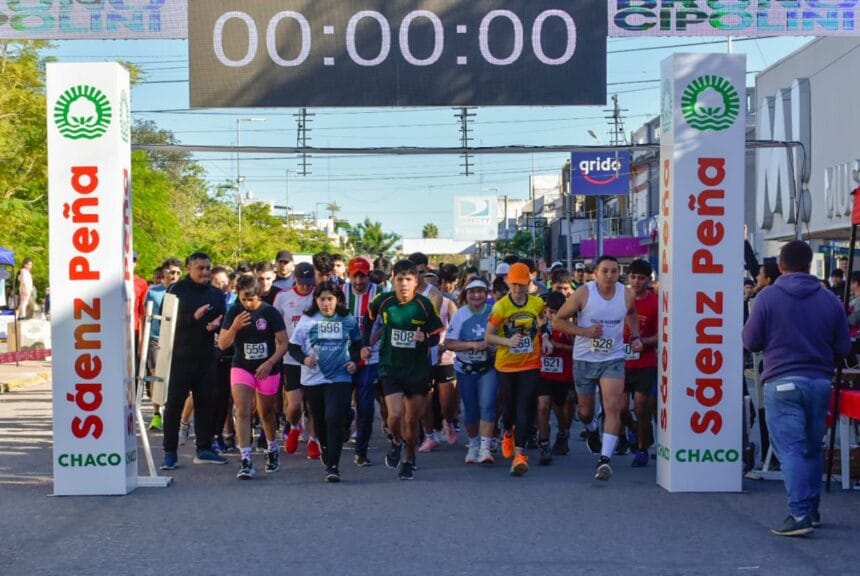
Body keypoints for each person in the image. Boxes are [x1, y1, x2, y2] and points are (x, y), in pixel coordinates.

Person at [742, 240, 850, 537]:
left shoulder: (767, 297)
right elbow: (843, 346)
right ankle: (812, 509)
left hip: (782, 380)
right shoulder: (830, 299)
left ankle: (799, 513)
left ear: (781, 265)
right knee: (813, 448)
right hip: (819, 382)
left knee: (791, 449)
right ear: (809, 263)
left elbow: (750, 341)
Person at [552, 255, 643, 481]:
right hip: (585, 359)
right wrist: (584, 332)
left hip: (613, 358)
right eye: (605, 271)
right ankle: (592, 429)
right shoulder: (584, 293)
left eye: (614, 271)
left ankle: (605, 459)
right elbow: (558, 320)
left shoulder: (626, 294)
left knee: (612, 406)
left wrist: (635, 336)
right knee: (585, 412)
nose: (610, 276)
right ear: (596, 274)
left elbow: (632, 314)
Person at [362, 259, 443, 480]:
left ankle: (408, 458)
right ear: (393, 280)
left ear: (416, 281)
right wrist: (365, 344)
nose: (404, 284)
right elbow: (368, 320)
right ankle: (397, 441)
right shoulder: (384, 301)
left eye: (408, 279)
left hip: (417, 370)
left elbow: (436, 335)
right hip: (391, 367)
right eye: (400, 279)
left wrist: (425, 338)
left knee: (411, 420)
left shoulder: (424, 305)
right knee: (395, 415)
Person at [160, 252, 228, 470]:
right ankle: (170, 452)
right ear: (189, 268)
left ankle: (204, 448)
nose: (205, 272)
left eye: (208, 268)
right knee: (174, 405)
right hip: (180, 357)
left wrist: (216, 325)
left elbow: (223, 319)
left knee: (207, 403)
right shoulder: (176, 290)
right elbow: (166, 321)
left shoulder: (216, 293)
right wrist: (193, 318)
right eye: (200, 268)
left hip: (206, 356)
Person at [290, 281, 362, 481]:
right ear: (316, 300)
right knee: (320, 419)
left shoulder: (347, 319)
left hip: (340, 376)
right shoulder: (307, 320)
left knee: (333, 418)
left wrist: (354, 361)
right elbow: (293, 347)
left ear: (337, 299)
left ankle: (333, 466)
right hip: (313, 378)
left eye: (330, 299)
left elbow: (358, 343)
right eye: (322, 299)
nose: (326, 303)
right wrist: (304, 359)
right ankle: (325, 447)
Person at [218, 275, 288, 479]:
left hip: (267, 368)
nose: (247, 304)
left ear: (259, 295)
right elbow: (222, 344)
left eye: (252, 299)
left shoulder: (270, 312)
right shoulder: (235, 311)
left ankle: (272, 448)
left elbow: (284, 343)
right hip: (242, 366)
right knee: (242, 410)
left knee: (267, 413)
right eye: (243, 299)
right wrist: (234, 328)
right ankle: (246, 460)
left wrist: (270, 363)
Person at [485, 262, 550, 477]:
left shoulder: (537, 303)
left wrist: (546, 338)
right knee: (508, 410)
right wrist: (507, 341)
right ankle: (507, 432)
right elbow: (488, 336)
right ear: (507, 282)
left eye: (522, 284)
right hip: (506, 365)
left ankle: (520, 455)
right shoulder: (501, 307)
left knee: (524, 409)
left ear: (528, 283)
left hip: (530, 363)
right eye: (514, 284)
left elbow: (542, 322)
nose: (518, 288)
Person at [272, 262, 320, 459]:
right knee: (294, 406)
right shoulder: (283, 297)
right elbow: (275, 325)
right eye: (302, 283)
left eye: (309, 283)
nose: (305, 287)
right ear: (295, 279)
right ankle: (294, 426)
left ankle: (313, 439)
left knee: (314, 405)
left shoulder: (319, 295)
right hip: (291, 357)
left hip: (315, 358)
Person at [445, 279, 496, 464]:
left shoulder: (494, 312)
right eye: (472, 292)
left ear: (486, 294)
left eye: (480, 291)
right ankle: (473, 445)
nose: (476, 295)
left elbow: (502, 337)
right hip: (465, 369)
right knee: (471, 409)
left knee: (488, 405)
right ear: (466, 295)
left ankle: (485, 447)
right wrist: (473, 345)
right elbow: (449, 343)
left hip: (488, 368)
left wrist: (493, 346)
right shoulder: (460, 315)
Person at [621, 259, 658, 467]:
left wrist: (642, 342)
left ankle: (642, 449)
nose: (636, 282)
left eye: (641, 278)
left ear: (648, 280)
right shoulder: (619, 298)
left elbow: (662, 335)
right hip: (620, 363)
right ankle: (635, 428)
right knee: (620, 410)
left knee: (641, 407)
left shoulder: (655, 302)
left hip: (645, 363)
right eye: (633, 277)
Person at [343, 257, 379, 466]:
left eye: (362, 276)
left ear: (368, 276)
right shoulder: (340, 292)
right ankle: (346, 421)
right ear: (348, 275)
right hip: (344, 358)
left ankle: (361, 452)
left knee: (365, 408)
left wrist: (368, 344)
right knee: (341, 405)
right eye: (354, 276)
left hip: (370, 358)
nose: (358, 281)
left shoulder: (379, 294)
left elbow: (385, 324)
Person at [536, 291, 573, 465]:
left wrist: (557, 345)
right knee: (543, 406)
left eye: (556, 312)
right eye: (549, 312)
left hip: (563, 372)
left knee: (561, 409)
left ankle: (563, 433)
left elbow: (578, 348)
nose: (552, 316)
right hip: (543, 373)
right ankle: (544, 443)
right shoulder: (540, 325)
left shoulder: (568, 326)